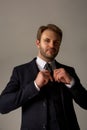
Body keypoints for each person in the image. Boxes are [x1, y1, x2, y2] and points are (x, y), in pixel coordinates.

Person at [0, 24, 87, 130]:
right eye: (47, 40)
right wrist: (34, 85)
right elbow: (2, 106)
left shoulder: (69, 72)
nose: (52, 45)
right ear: (38, 43)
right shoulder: (20, 72)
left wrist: (72, 83)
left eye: (56, 42)